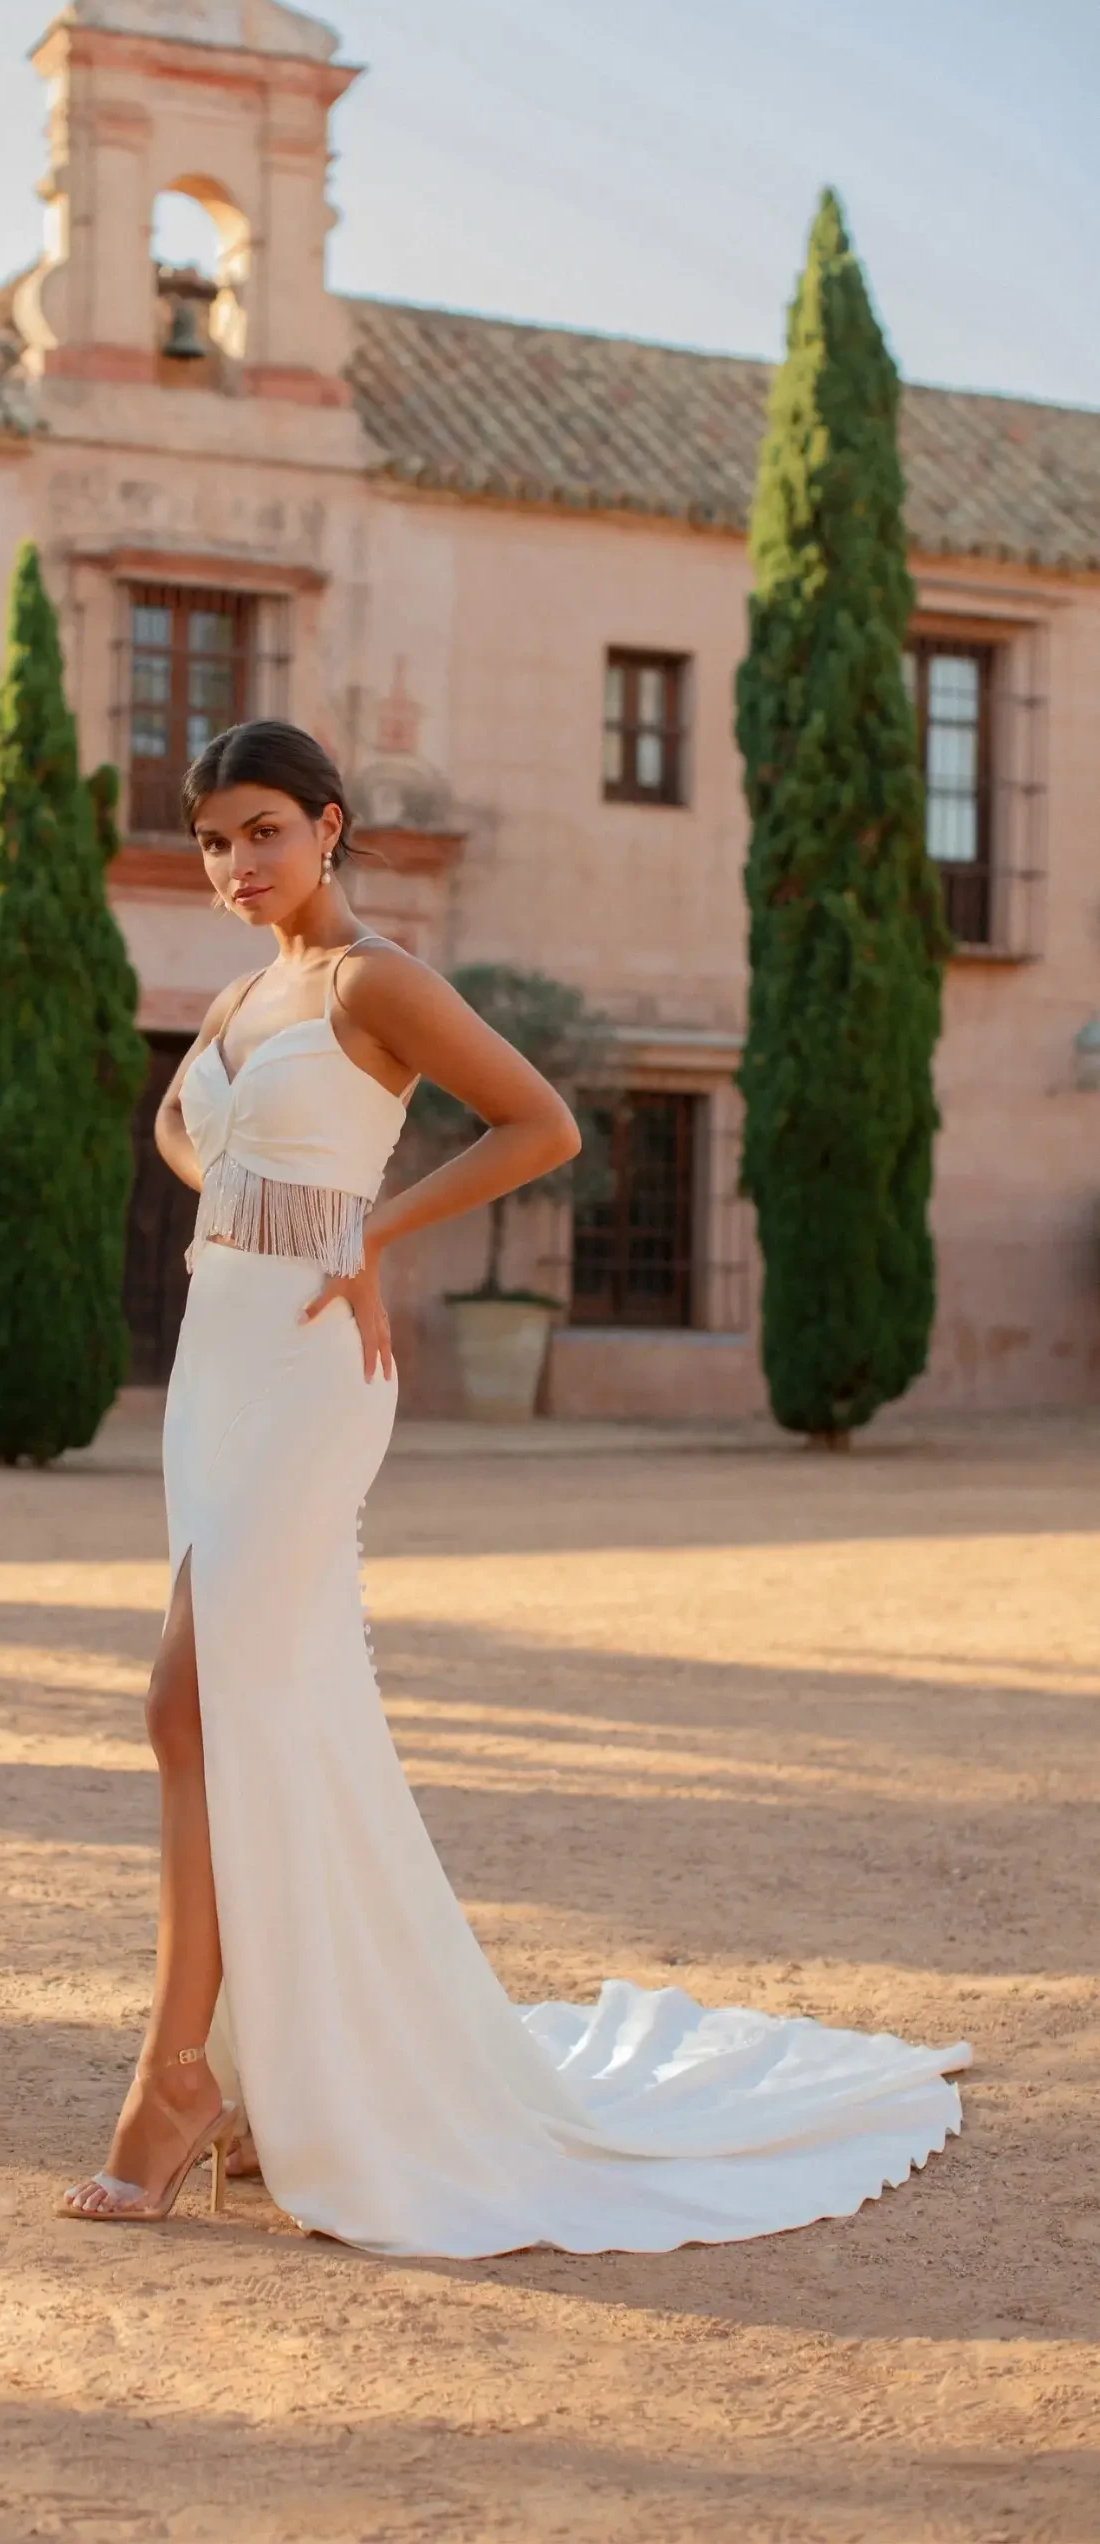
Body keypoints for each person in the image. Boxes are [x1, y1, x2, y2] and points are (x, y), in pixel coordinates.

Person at [58, 720, 969, 2256]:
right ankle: (252, 2076)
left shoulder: (372, 982)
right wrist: (263, 1205)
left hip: (305, 1379)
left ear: (331, 827)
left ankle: (174, 2087)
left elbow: (536, 1122)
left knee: (182, 1699)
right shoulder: (236, 996)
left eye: (266, 830)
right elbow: (177, 1125)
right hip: (219, 1369)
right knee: (227, 1713)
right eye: (214, 839)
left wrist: (368, 1236)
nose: (237, 863)